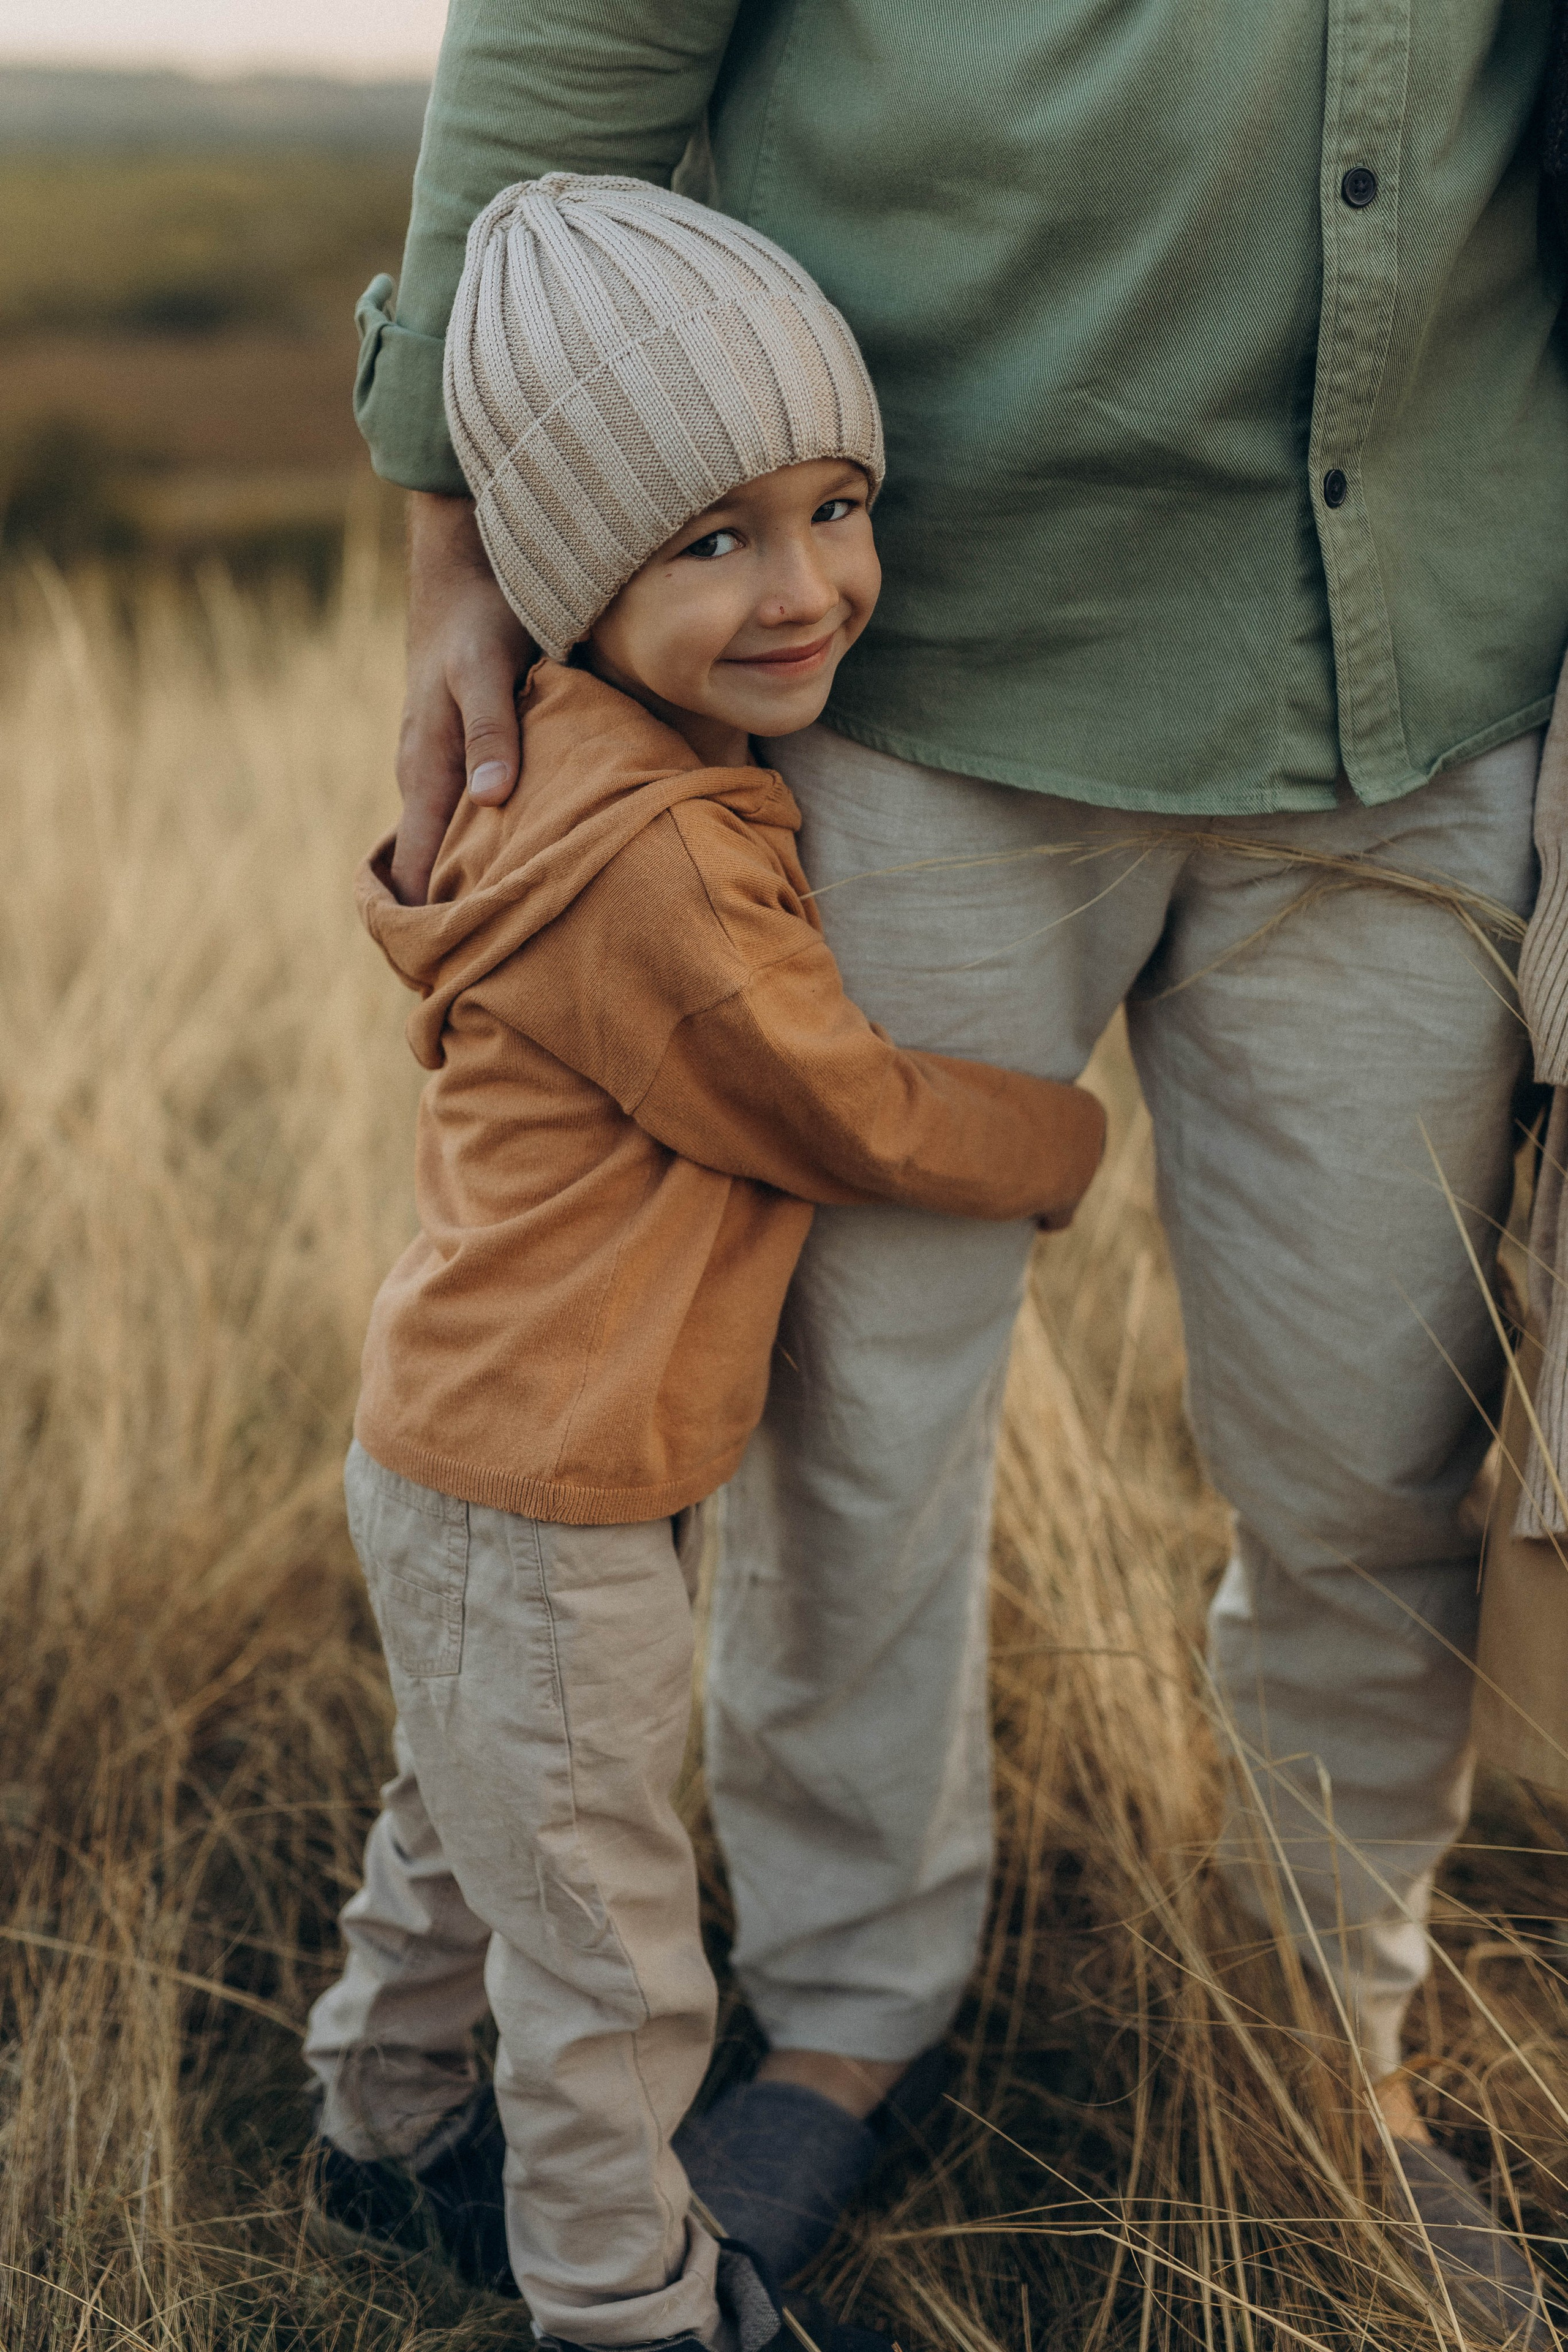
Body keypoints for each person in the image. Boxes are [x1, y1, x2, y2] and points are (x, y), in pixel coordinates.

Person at [344, 2, 1568, 2333]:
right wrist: (453, 541)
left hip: (1437, 693)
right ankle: (848, 2001)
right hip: (907, 687)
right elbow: (581, 21)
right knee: (855, 1443)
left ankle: (1334, 2036)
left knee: (1376, 1467)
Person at [304, 173, 1106, 2352]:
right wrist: (1056, 1135)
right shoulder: (656, 854)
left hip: (475, 1447)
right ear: (567, 572)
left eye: (836, 503)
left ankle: (378, 2129)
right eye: (711, 539)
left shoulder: (568, 765)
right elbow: (833, 1101)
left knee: (471, 1836)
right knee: (606, 1944)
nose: (808, 584)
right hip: (550, 1486)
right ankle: (632, 2298)